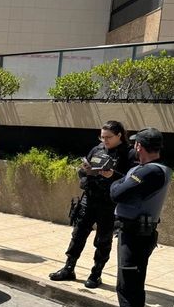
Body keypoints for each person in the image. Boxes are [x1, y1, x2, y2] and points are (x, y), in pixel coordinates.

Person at [100, 127, 172, 307]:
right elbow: (126, 187)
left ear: (140, 146)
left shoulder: (150, 171)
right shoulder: (149, 170)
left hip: (135, 235)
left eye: (135, 144)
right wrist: (122, 180)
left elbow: (117, 194)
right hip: (134, 232)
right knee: (125, 282)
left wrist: (115, 183)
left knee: (130, 285)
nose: (133, 147)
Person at [49, 121, 134, 288]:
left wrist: (113, 175)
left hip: (109, 204)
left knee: (103, 241)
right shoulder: (97, 149)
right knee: (78, 235)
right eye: (102, 137)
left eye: (108, 137)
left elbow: (131, 180)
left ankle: (96, 274)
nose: (105, 140)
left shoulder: (128, 154)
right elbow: (83, 170)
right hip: (89, 198)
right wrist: (85, 172)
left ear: (119, 135)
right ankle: (69, 268)